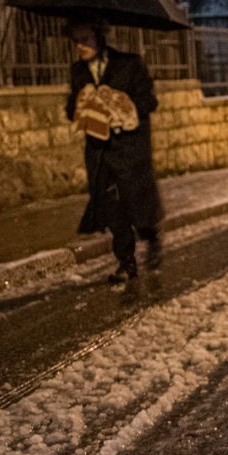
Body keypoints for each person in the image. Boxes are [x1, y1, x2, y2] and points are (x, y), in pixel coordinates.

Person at [64, 21, 162, 284]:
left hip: (130, 148)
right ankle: (126, 263)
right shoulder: (78, 71)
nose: (80, 46)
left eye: (85, 39)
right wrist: (81, 101)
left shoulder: (129, 64)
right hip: (99, 151)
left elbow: (149, 101)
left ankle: (150, 236)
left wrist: (121, 104)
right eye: (75, 41)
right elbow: (71, 109)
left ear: (99, 38)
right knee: (112, 208)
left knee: (137, 203)